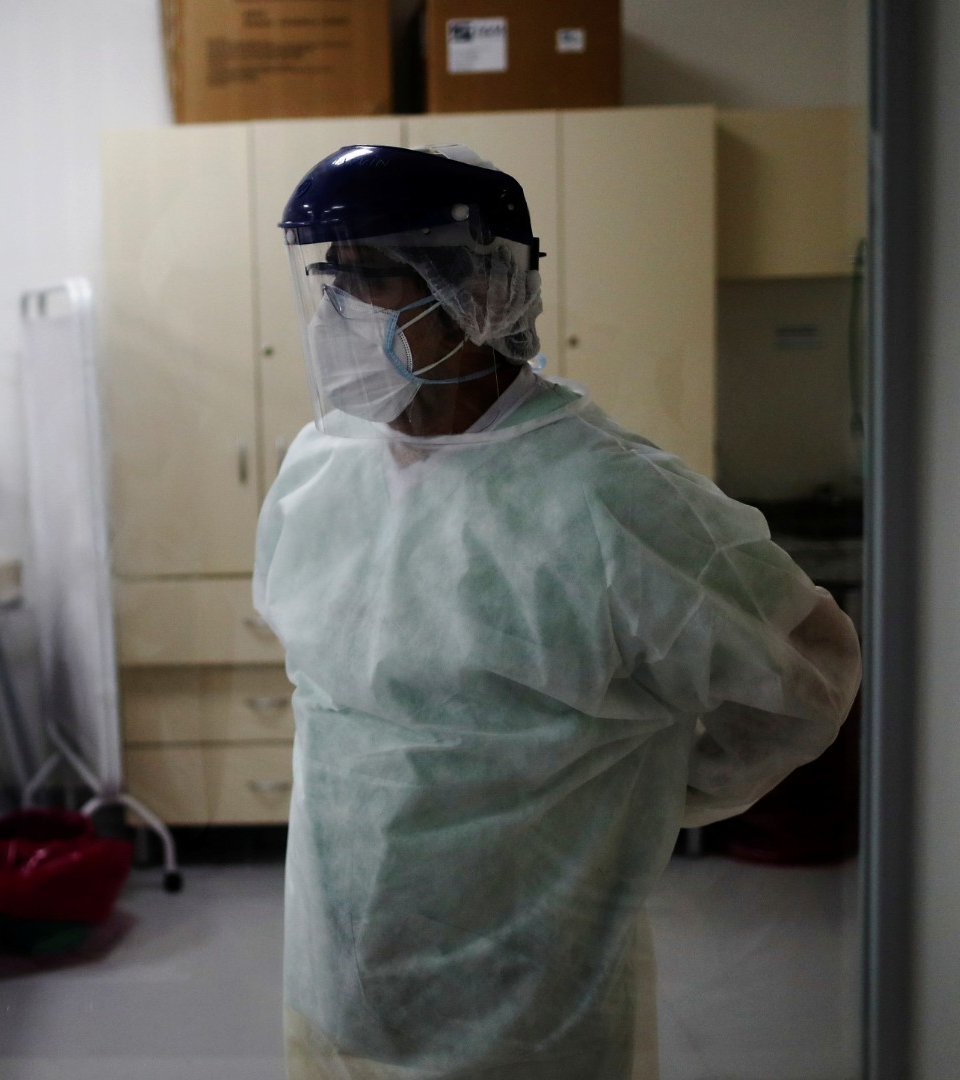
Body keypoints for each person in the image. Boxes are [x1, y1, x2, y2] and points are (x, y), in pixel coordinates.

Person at [255, 144, 862, 1078]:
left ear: (471, 293)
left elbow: (810, 675)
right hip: (335, 978)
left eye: (367, 279)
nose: (336, 313)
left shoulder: (612, 501)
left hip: (520, 1006)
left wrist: (653, 797)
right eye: (328, 281)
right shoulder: (321, 467)